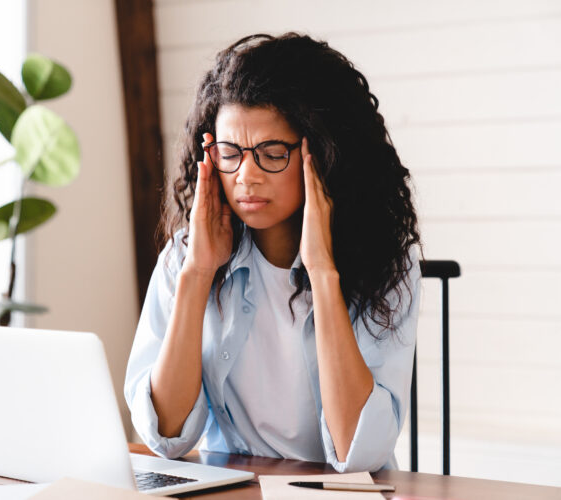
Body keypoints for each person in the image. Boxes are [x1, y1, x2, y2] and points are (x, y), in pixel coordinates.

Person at [124, 32, 422, 473]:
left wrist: (322, 273)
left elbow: (359, 453)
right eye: (230, 153)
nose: (246, 175)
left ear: (323, 154)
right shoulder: (188, 255)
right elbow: (164, 436)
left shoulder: (387, 263)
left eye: (272, 153)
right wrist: (197, 274)